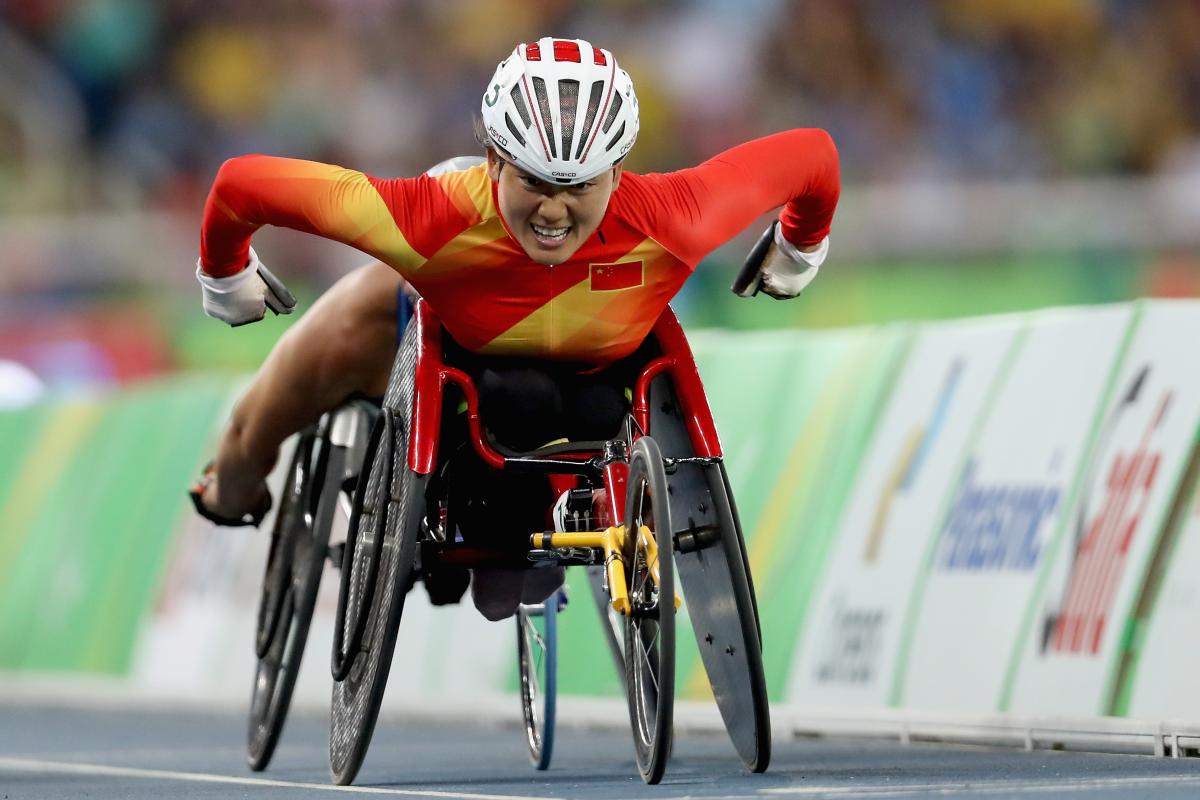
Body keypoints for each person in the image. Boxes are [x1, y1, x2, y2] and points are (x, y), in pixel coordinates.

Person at [189, 36, 839, 621]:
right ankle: (236, 477)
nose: (554, 210)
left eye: (579, 186)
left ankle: (524, 535)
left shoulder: (676, 216)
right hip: (441, 339)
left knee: (519, 537)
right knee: (285, 394)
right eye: (534, 181)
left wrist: (799, 251)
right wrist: (223, 277)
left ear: (617, 172)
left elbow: (815, 157)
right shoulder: (431, 216)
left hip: (584, 393)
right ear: (495, 160)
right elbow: (240, 186)